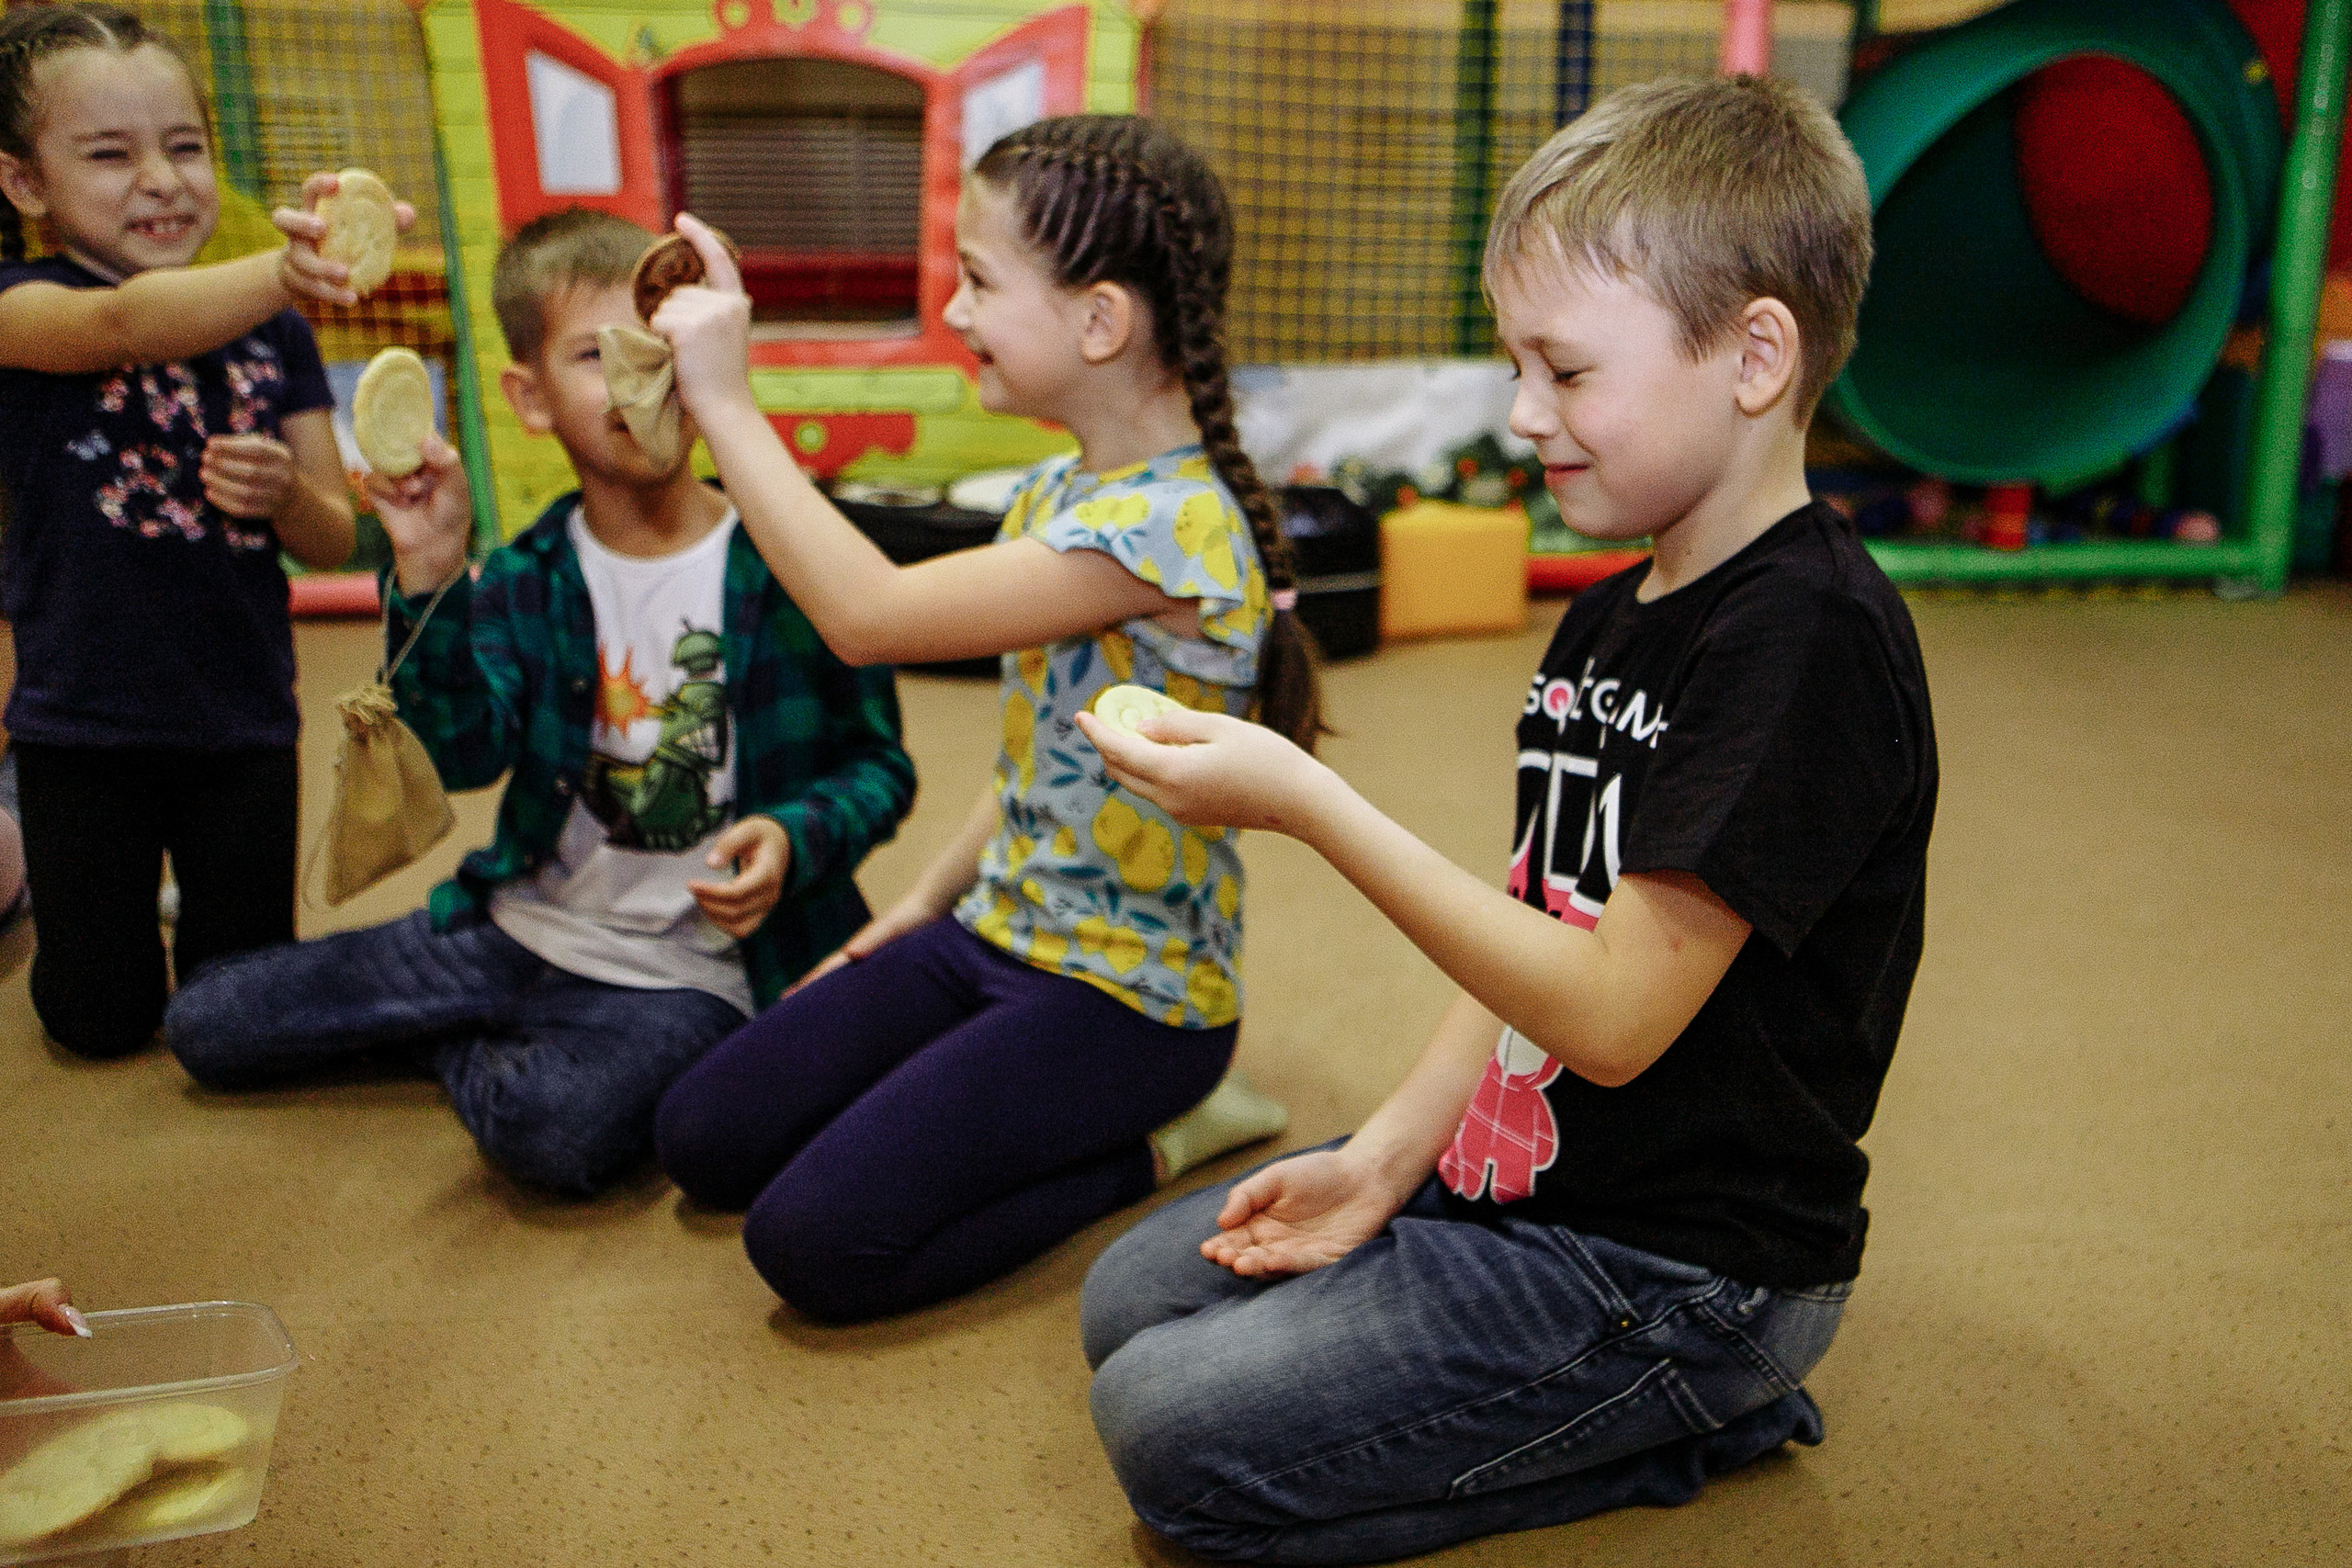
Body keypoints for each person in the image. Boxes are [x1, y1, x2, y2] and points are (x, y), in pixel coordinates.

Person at [1073, 76, 1938, 1563]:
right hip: (1531, 1169)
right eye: (1513, 365)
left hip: (1683, 1259)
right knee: (1130, 1303)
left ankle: (1714, 1402)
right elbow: (1543, 916)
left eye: (1566, 371)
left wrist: (1310, 803)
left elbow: (1605, 1017)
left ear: (1754, 356)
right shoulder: (1605, 620)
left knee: (1171, 1435)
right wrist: (1393, 1152)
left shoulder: (1808, 643)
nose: (1524, 415)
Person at [648, 115, 1316, 1322]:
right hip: (995, 931)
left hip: (1129, 998)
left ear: (1101, 321)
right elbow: (1039, 757)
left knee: (813, 1242)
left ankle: (1166, 1138)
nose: (951, 309)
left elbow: (867, 613)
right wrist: (912, 915)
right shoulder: (1059, 488)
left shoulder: (1176, 528)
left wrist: (725, 403)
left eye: (980, 279)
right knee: (704, 1133)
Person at [163, 209, 916, 1198]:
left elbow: (882, 768)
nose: (641, 380)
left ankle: (473, 1038)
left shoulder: (797, 566)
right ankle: (492, 1019)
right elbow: (465, 756)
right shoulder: (526, 575)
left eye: (664, 351)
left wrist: (795, 833)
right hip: (517, 923)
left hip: (691, 975)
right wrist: (430, 575)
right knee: (208, 1022)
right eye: (599, 357)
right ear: (528, 397)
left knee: (551, 1134)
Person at [0, 3, 388, 1059]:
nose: (164, 180)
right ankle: (24, 854)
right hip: (82, 726)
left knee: (238, 1013)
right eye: (111, 155)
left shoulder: (280, 334)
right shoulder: (21, 308)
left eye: (185, 146)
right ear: (26, 184)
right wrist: (285, 267)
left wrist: (280, 497)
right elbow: (124, 324)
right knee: (98, 1023)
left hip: (241, 719)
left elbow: (329, 535)